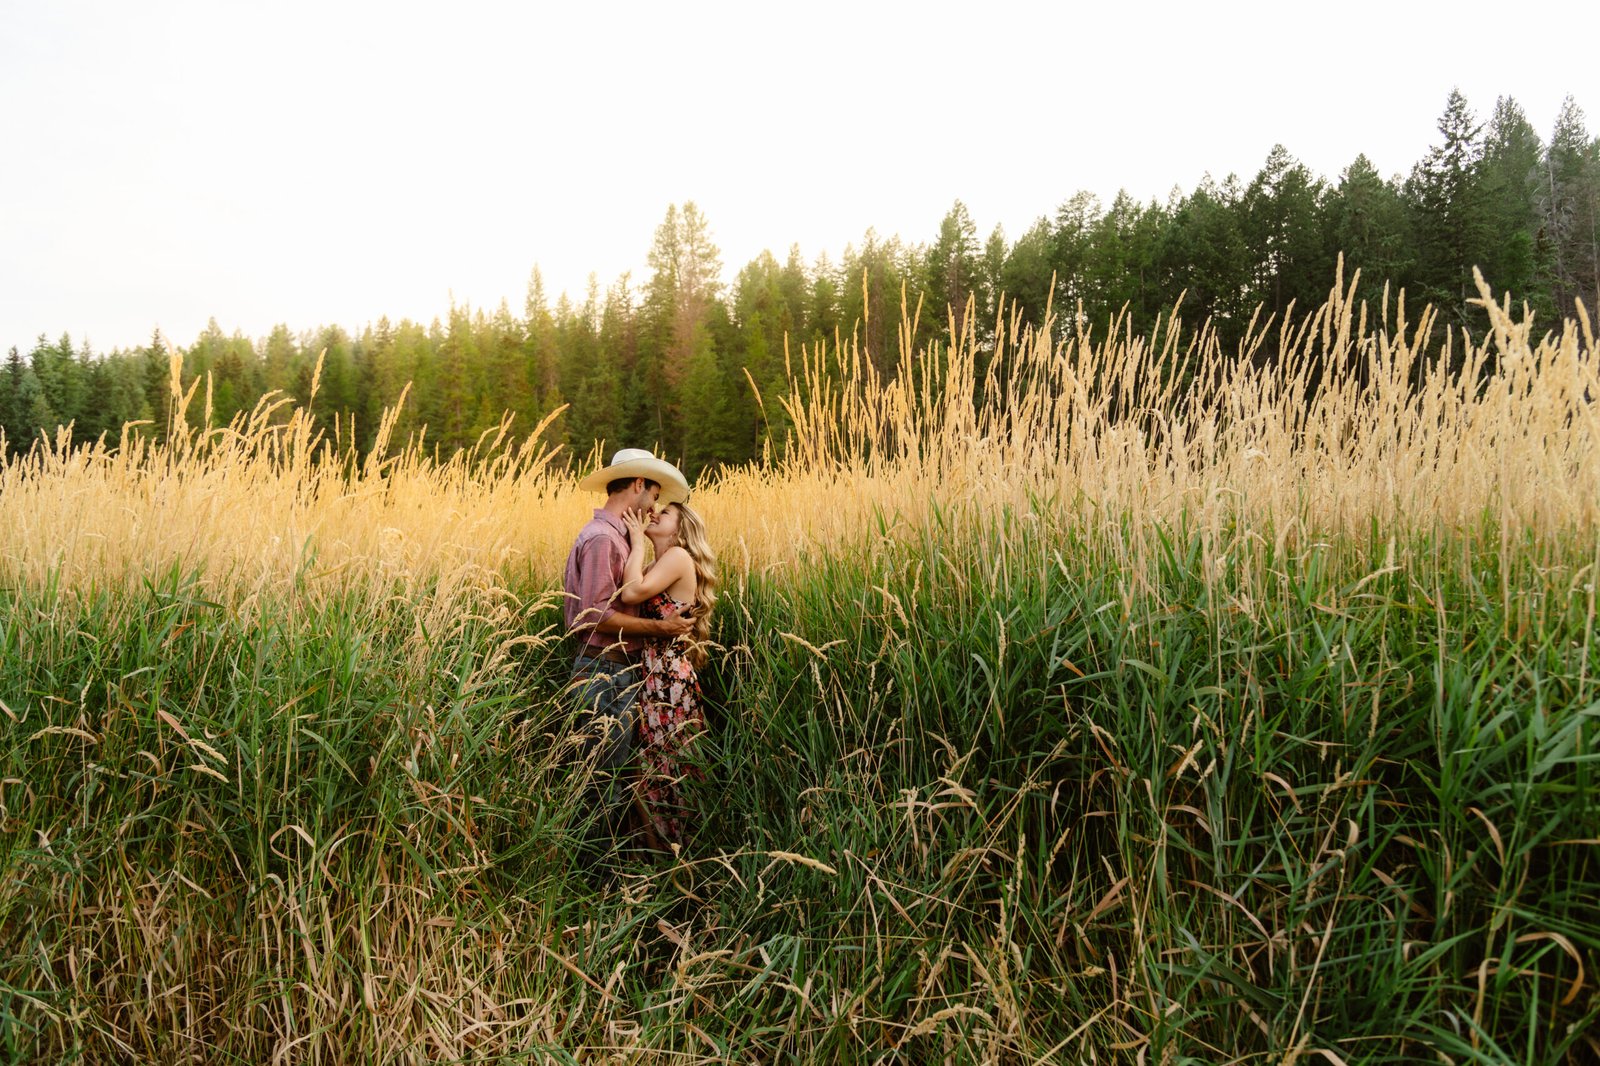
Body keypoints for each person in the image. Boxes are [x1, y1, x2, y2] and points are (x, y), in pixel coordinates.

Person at [562, 448, 693, 841]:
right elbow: (596, 615)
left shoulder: (618, 539)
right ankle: (590, 878)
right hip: (603, 671)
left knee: (615, 775)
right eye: (654, 495)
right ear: (638, 485)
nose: (654, 506)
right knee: (600, 780)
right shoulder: (604, 539)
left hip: (616, 672)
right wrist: (661, 629)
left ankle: (614, 867)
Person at [618, 499, 717, 850]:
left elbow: (631, 592)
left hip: (668, 680)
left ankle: (675, 854)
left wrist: (635, 543)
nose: (654, 513)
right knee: (651, 766)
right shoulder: (659, 562)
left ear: (679, 528)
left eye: (666, 513)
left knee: (663, 765)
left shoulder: (676, 557)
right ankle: (658, 857)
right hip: (653, 675)